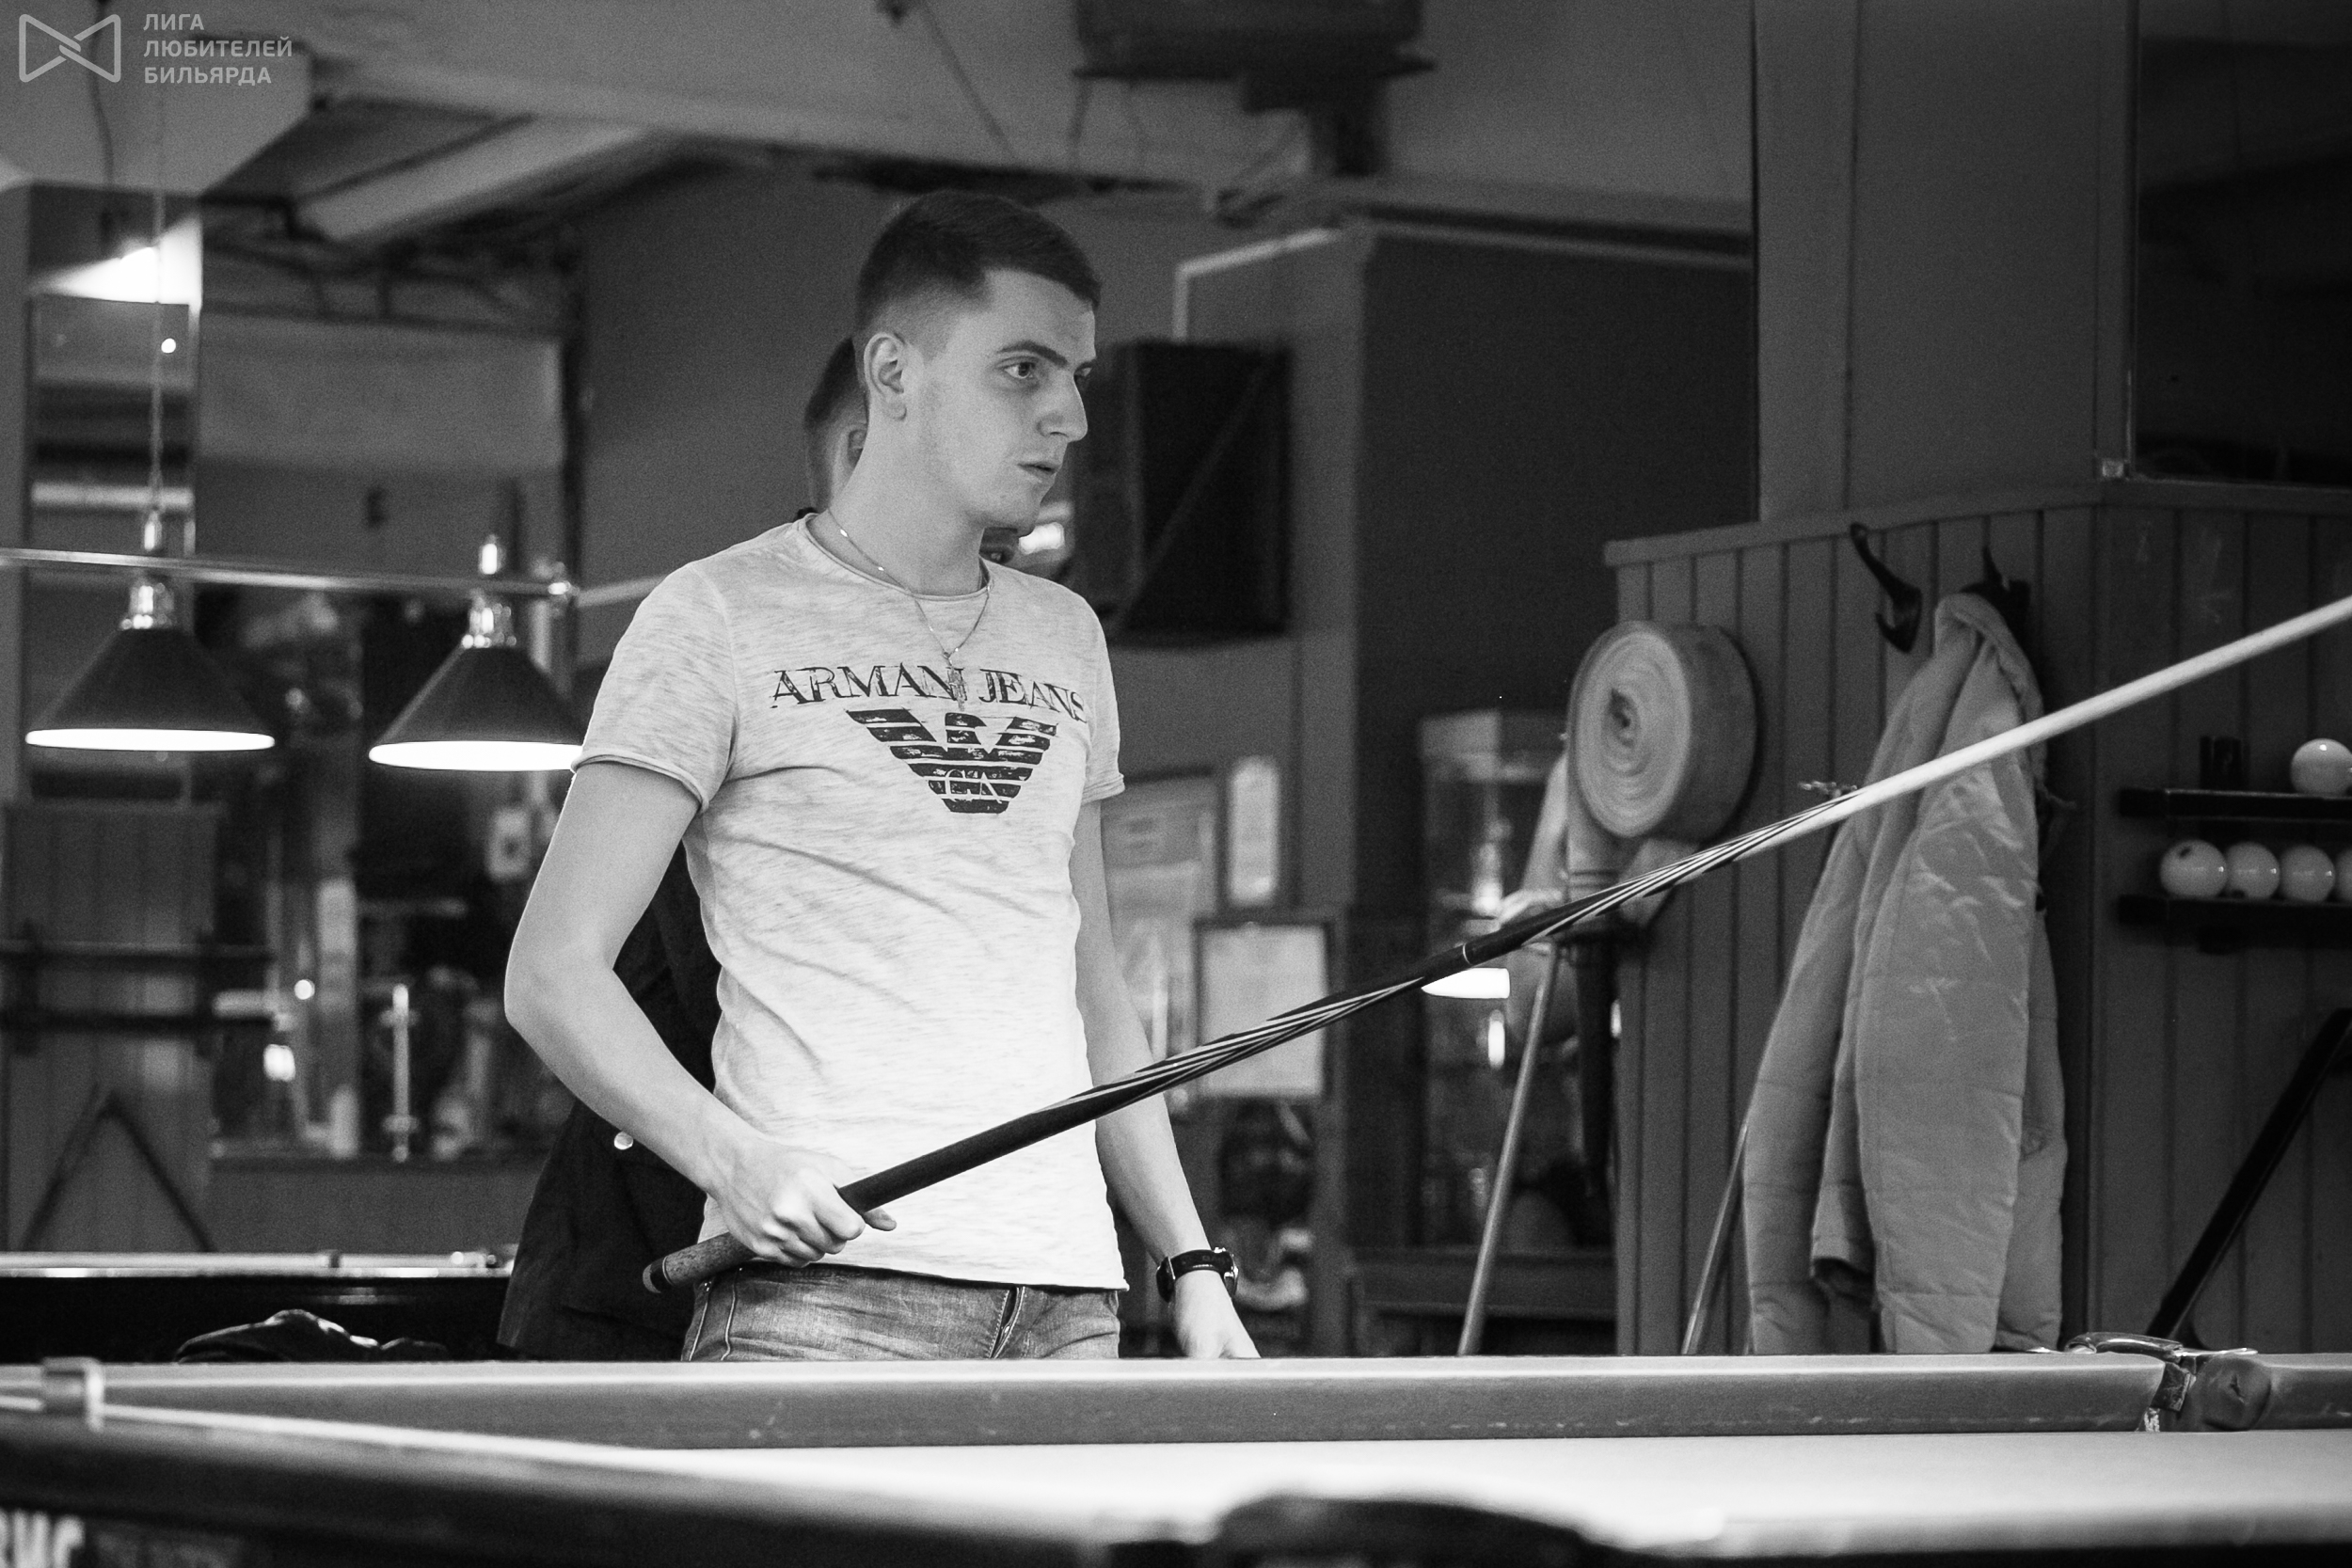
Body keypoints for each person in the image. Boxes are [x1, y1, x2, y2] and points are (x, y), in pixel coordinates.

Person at [505, 191, 1255, 1361]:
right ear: (893, 372)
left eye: (1076, 377)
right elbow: (551, 972)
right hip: (824, 1297)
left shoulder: (1064, 635)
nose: (1067, 416)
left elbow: (1090, 985)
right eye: (1021, 368)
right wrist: (729, 1157)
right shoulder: (718, 613)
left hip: (1066, 1294)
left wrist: (1191, 1258)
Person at [497, 338, 871, 1359]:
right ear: (865, 442)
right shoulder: (732, 652)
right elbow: (565, 978)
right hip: (639, 1274)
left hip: (776, 1252)